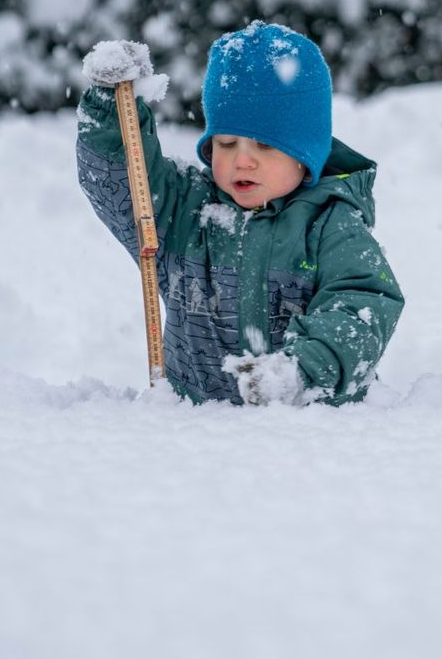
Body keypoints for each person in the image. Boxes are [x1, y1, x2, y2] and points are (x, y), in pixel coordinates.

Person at [76, 21, 404, 406]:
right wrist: (112, 109)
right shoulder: (185, 211)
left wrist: (300, 372)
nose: (242, 161)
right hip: (194, 436)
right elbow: (121, 185)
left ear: (306, 153)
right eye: (227, 143)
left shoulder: (332, 223)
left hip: (311, 438)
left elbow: (363, 304)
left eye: (265, 145)